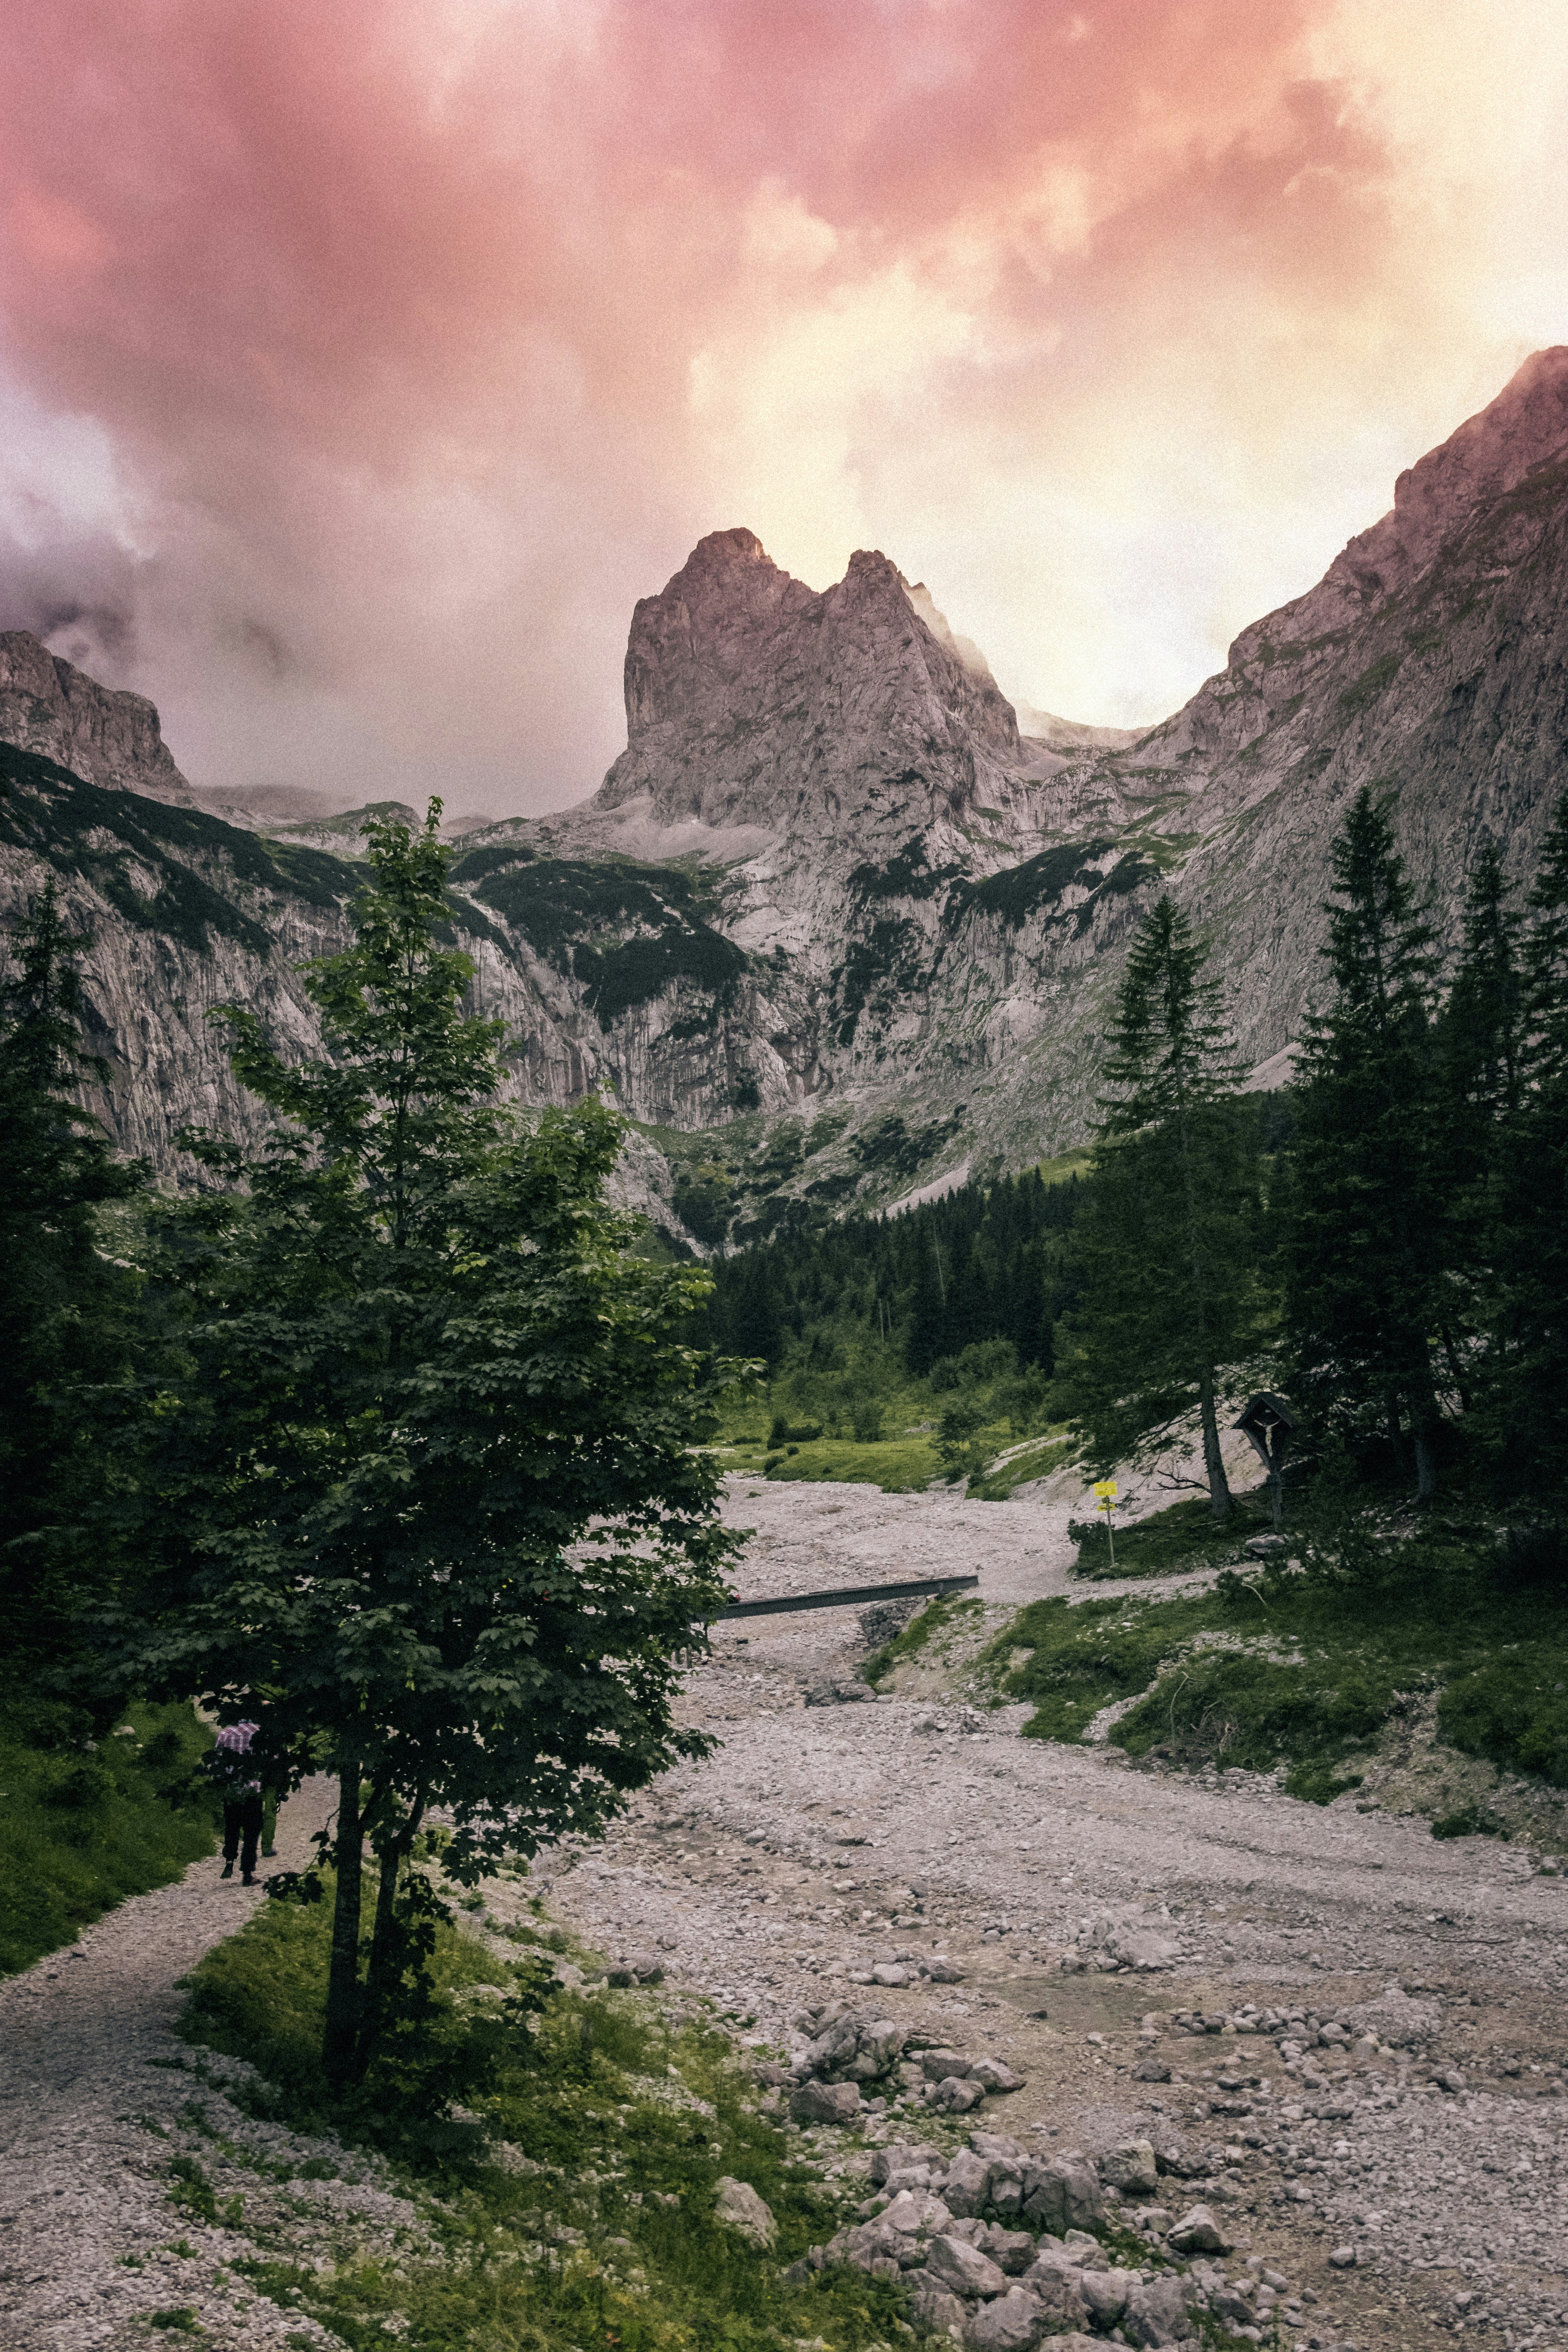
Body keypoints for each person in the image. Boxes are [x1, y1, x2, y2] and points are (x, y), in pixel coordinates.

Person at [211, 1719, 264, 1885]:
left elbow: (217, 1761)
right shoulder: (261, 1733)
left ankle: (229, 1861)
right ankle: (247, 1873)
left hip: (231, 1790)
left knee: (232, 1827)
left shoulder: (226, 1733)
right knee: (252, 1833)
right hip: (252, 1790)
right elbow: (272, 1759)